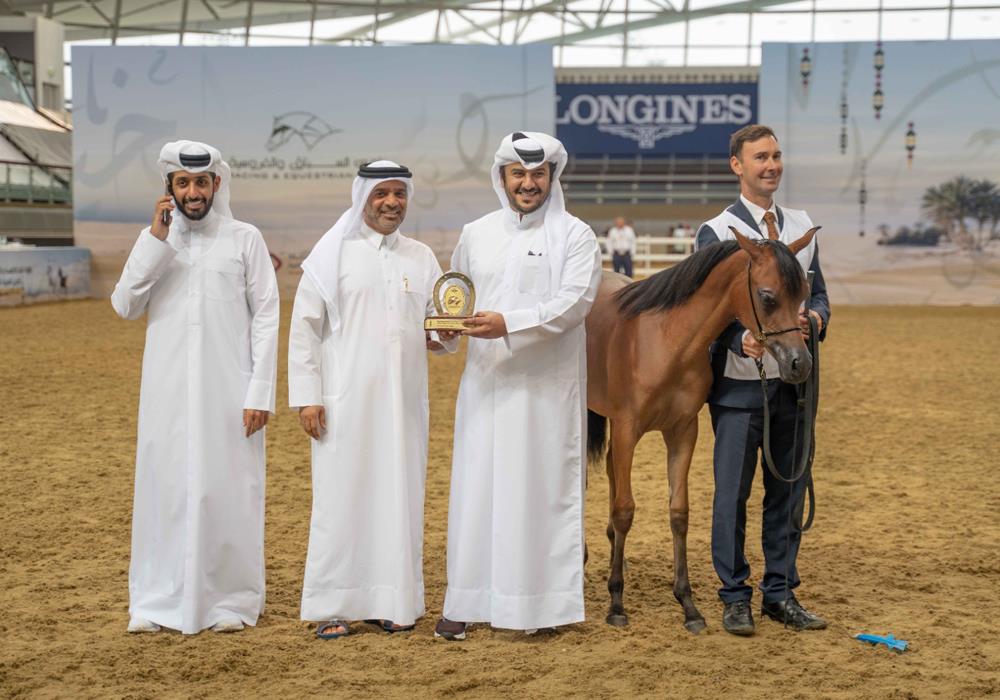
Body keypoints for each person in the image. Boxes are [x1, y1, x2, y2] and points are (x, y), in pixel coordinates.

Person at [435, 131, 602, 640]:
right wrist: (445, 330)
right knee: (475, 490)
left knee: (537, 493)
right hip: (484, 385)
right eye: (518, 174)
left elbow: (576, 303)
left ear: (552, 176)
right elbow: (457, 296)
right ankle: (466, 600)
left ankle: (537, 606)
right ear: (503, 177)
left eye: (538, 174)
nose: (528, 184)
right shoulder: (476, 232)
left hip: (545, 392)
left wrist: (510, 322)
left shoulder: (576, 235)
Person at [111, 140, 279, 635]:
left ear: (216, 185)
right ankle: (157, 599)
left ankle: (228, 599)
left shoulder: (245, 238)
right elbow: (124, 305)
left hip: (231, 394)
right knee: (164, 490)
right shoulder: (156, 242)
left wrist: (260, 392)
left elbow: (267, 317)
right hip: (166, 397)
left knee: (227, 492)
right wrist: (155, 240)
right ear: (169, 188)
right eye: (182, 183)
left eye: (201, 182)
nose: (192, 191)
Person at [288, 161, 457, 640]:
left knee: (398, 500)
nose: (391, 203)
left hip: (404, 406)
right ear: (362, 195)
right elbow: (304, 329)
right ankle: (334, 606)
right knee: (341, 500)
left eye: (399, 194)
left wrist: (445, 332)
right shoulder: (331, 255)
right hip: (343, 403)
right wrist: (307, 397)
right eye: (381, 193)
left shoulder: (422, 257)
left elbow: (436, 327)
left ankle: (391, 602)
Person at [694, 124, 830, 636]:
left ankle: (780, 593)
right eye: (759, 157)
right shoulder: (716, 231)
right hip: (738, 386)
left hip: (795, 382)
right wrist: (738, 340)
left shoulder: (802, 226)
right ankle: (734, 596)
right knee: (732, 494)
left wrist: (814, 320)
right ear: (737, 165)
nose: (770, 165)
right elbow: (707, 309)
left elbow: (819, 297)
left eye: (776, 156)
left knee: (787, 492)